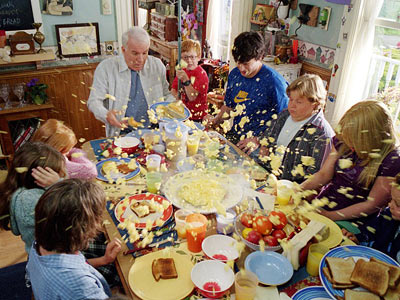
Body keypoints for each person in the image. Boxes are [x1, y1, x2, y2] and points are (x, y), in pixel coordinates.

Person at [299, 100, 400, 223]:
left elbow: (371, 205)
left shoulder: (392, 160)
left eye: (355, 140)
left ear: (371, 139)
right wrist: (298, 190)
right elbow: (324, 174)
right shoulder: (344, 140)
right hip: (323, 204)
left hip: (353, 220)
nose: (349, 144)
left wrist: (329, 216)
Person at [27, 179, 112, 300]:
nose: (99, 224)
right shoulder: (82, 288)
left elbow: (76, 265)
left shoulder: (39, 243)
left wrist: (104, 260)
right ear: (82, 231)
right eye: (97, 220)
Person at [242, 74, 334, 183]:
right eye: (291, 100)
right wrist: (264, 145)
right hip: (268, 175)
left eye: (299, 102)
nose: (292, 106)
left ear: (315, 104)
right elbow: (268, 137)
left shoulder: (322, 134)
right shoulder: (285, 115)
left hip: (290, 187)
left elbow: (316, 177)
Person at [87, 26, 174, 137]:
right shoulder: (106, 68)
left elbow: (166, 95)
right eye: (135, 53)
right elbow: (93, 101)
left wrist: (171, 104)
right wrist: (105, 115)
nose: (141, 59)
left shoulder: (157, 65)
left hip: (155, 131)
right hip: (121, 132)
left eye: (145, 53)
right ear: (123, 50)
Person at [204, 31, 288, 145]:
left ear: (260, 57)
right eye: (237, 62)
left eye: (246, 63)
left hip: (260, 144)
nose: (240, 67)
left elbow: (284, 121)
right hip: (236, 136)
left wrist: (259, 140)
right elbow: (228, 108)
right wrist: (215, 120)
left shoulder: (275, 83)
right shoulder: (235, 74)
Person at [0, 142, 66, 253]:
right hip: (54, 258)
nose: (62, 176)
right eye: (59, 173)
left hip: (47, 253)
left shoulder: (21, 190)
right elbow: (73, 211)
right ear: (40, 178)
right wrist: (57, 185)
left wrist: (57, 184)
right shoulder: (29, 200)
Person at [343, 172, 400, 262]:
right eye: (392, 199)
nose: (390, 204)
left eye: (398, 204)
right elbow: (371, 232)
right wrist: (358, 239)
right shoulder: (387, 214)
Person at [31, 119, 97, 180]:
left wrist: (67, 150)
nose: (68, 152)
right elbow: (92, 171)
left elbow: (73, 150)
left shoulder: (38, 155)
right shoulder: (61, 166)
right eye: (66, 150)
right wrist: (77, 156)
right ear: (59, 150)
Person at [171, 39, 209, 121]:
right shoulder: (182, 69)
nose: (189, 60)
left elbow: (192, 97)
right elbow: (173, 89)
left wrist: (186, 80)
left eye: (192, 57)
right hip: (183, 114)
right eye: (185, 57)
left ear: (198, 57)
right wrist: (178, 101)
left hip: (198, 117)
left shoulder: (201, 74)